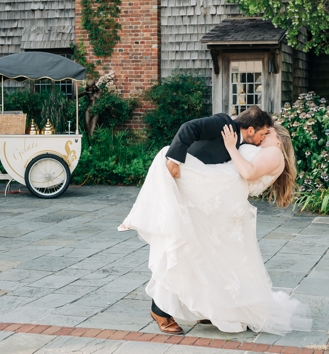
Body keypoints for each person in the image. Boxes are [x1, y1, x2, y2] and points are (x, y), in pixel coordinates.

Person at [118, 111, 311, 336]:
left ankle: (202, 307)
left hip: (218, 200)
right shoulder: (240, 134)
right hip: (210, 193)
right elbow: (192, 130)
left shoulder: (273, 152)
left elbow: (247, 173)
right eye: (264, 131)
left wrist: (231, 147)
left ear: (279, 139)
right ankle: (161, 308)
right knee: (189, 250)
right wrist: (175, 157)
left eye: (269, 133)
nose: (264, 136)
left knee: (206, 257)